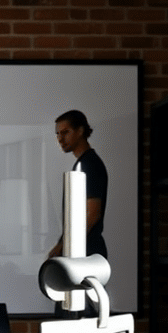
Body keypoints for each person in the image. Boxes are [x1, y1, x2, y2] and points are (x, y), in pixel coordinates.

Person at [47, 109, 108, 260]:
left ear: (80, 131)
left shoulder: (89, 165)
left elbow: (92, 213)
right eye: (58, 134)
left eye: (65, 132)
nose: (60, 139)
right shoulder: (83, 163)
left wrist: (64, 244)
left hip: (88, 254)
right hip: (83, 252)